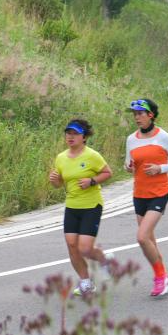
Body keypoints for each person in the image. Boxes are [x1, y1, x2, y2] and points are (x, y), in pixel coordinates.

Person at [126, 98, 168, 298]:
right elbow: (130, 163)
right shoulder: (131, 139)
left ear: (151, 115)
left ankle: (160, 277)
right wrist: (129, 167)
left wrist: (161, 168)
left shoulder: (163, 137)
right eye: (134, 114)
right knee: (149, 240)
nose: (137, 117)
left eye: (140, 113)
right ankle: (164, 277)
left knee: (142, 237)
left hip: (159, 192)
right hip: (139, 194)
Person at [49, 119, 114, 297]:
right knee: (72, 245)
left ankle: (104, 260)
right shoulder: (61, 158)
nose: (70, 137)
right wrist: (55, 181)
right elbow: (61, 183)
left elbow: (108, 172)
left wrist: (91, 181)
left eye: (75, 133)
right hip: (72, 206)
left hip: (91, 205)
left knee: (85, 248)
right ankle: (86, 282)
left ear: (84, 137)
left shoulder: (92, 156)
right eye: (68, 133)